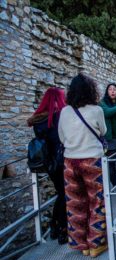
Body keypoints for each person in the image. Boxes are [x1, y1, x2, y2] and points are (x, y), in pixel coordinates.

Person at [58, 73, 108, 257]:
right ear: (91, 90)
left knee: (75, 204)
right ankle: (95, 244)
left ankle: (82, 246)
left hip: (70, 162)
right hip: (92, 161)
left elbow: (62, 138)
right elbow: (103, 131)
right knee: (97, 201)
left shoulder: (64, 111)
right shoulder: (97, 110)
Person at [27, 87, 68, 245]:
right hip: (61, 160)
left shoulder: (38, 120)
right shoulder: (59, 116)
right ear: (59, 99)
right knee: (64, 194)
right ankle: (61, 229)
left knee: (60, 193)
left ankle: (54, 225)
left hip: (48, 163)